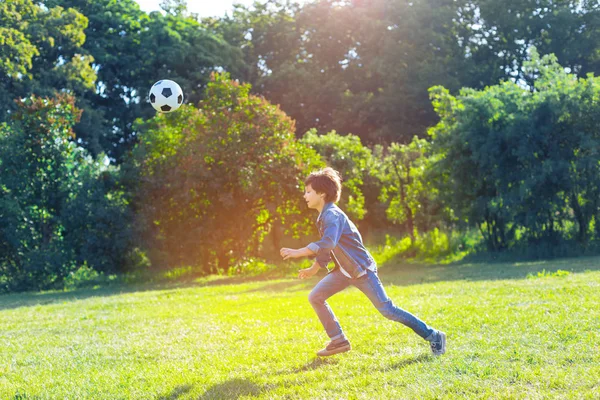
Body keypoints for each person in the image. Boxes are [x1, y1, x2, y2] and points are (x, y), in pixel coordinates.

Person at [280, 167, 446, 357]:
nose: (304, 195)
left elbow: (328, 242)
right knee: (315, 297)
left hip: (361, 271)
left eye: (308, 191)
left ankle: (434, 336)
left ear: (322, 193)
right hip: (343, 272)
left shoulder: (332, 215)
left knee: (388, 310)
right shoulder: (323, 216)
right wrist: (314, 268)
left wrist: (298, 251)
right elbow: (328, 249)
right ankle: (338, 340)